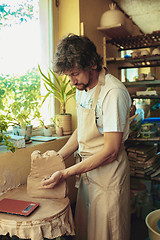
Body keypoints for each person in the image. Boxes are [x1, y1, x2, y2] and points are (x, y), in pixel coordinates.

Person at [42, 34, 131, 240]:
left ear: (92, 63)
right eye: (69, 76)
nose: (72, 81)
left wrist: (65, 174)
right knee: (87, 230)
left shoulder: (112, 93)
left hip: (109, 175)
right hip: (88, 173)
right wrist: (58, 157)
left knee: (108, 232)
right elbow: (82, 130)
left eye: (75, 74)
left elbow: (110, 151)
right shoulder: (83, 88)